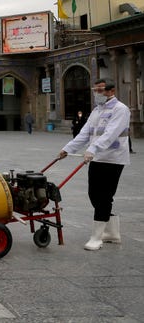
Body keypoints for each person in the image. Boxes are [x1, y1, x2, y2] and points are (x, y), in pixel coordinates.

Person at [58, 78, 130, 251]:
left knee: (104, 196)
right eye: (95, 90)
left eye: (100, 90)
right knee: (94, 195)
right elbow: (84, 133)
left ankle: (97, 237)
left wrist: (93, 148)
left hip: (112, 158)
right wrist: (67, 149)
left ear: (111, 91)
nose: (97, 94)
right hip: (95, 158)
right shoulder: (96, 111)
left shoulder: (121, 109)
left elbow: (111, 134)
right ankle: (112, 233)